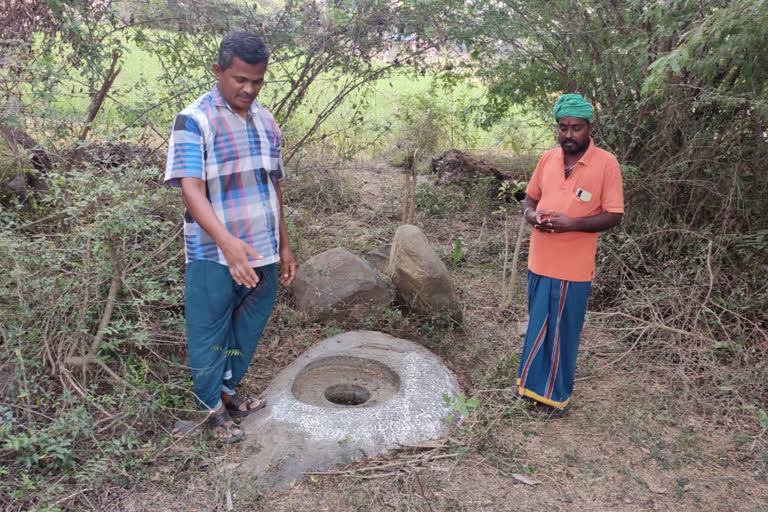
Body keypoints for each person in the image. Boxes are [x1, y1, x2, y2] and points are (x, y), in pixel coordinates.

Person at [165, 31, 296, 443]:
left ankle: (226, 390)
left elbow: (272, 185)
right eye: (240, 79)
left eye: (257, 81)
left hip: (262, 247)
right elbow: (191, 188)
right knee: (209, 328)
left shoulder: (265, 120)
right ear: (219, 71)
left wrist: (285, 244)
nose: (249, 89)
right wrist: (226, 241)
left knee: (250, 322)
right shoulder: (194, 120)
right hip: (213, 251)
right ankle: (208, 411)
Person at [510, 93, 623, 415]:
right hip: (539, 260)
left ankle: (555, 399)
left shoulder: (606, 163)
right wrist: (533, 217)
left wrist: (573, 223)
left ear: (589, 128)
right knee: (538, 328)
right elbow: (530, 200)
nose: (569, 135)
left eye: (575, 128)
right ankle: (528, 387)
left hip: (572, 267)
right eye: (563, 127)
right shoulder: (548, 159)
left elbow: (614, 215)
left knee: (562, 333)